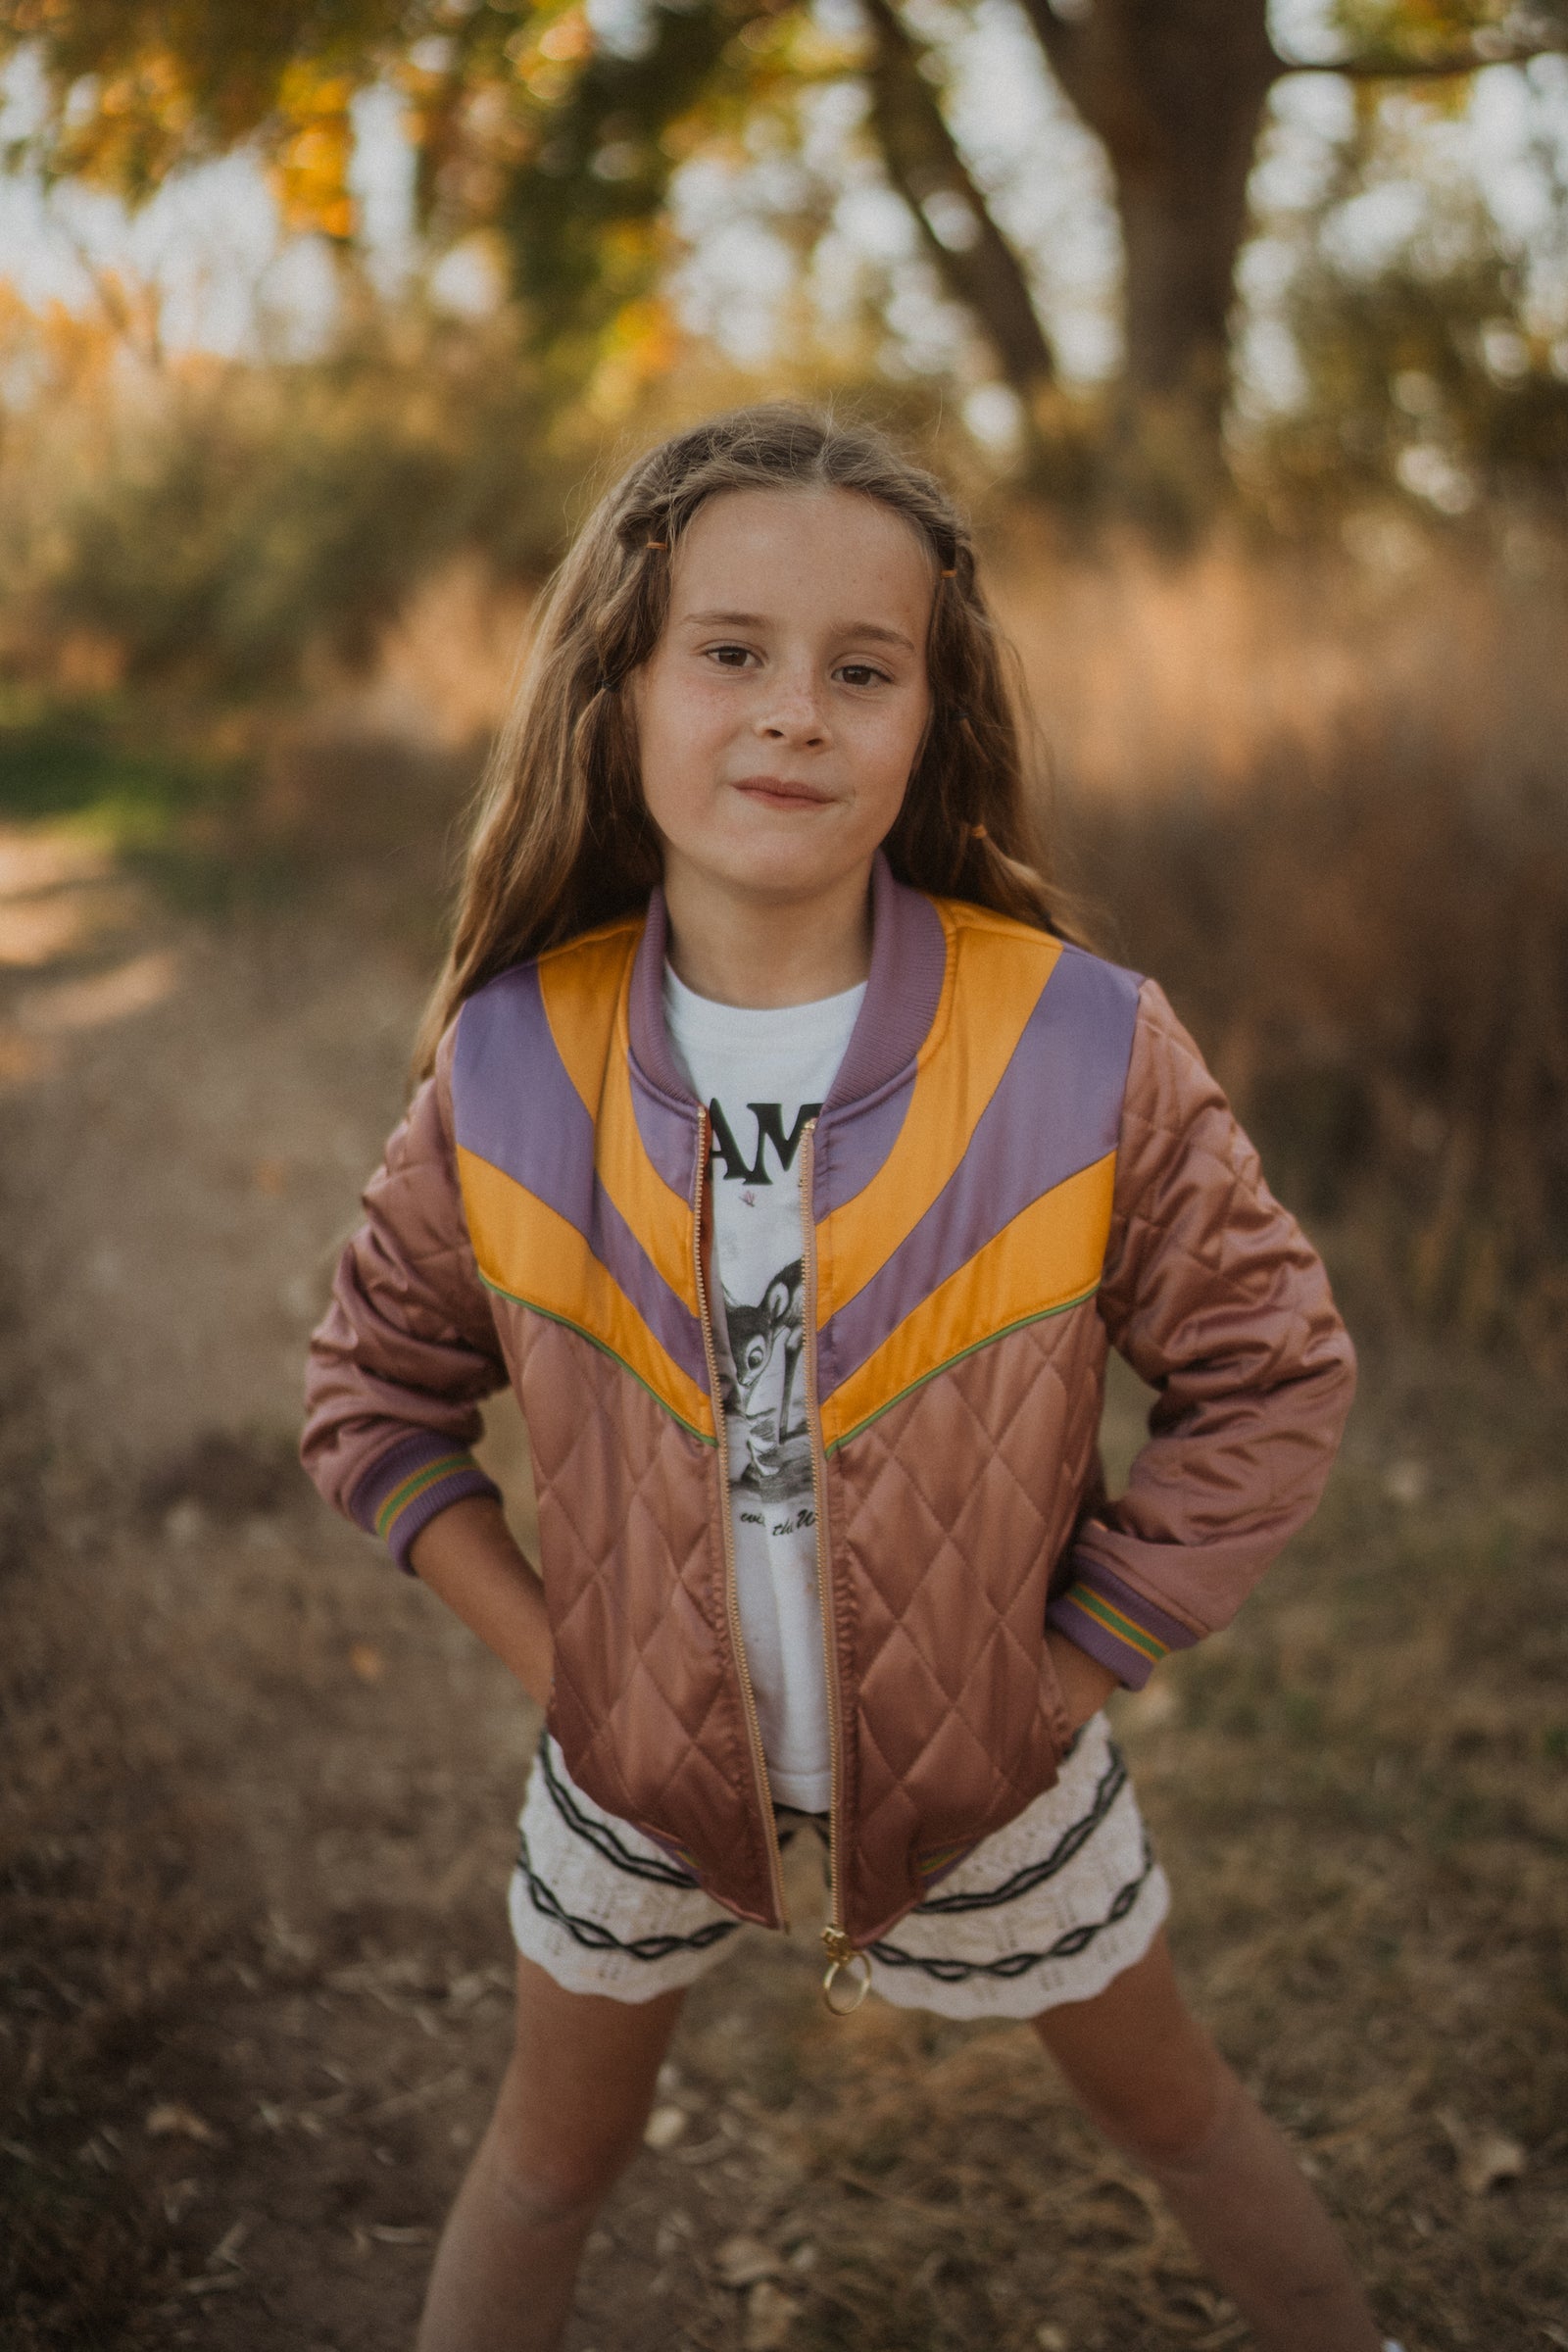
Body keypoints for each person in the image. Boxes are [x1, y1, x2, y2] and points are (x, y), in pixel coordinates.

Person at [301, 406, 1396, 2352]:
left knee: (1184, 2121)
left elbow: (1269, 1373)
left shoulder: (1075, 1046)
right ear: (622, 689)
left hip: (995, 1791)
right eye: (730, 652)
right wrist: (575, 1682)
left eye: (857, 670)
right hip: (630, 1790)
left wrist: (1050, 1684)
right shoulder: (508, 1065)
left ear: (921, 719)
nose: (792, 714)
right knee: (546, 2169)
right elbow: (370, 1405)